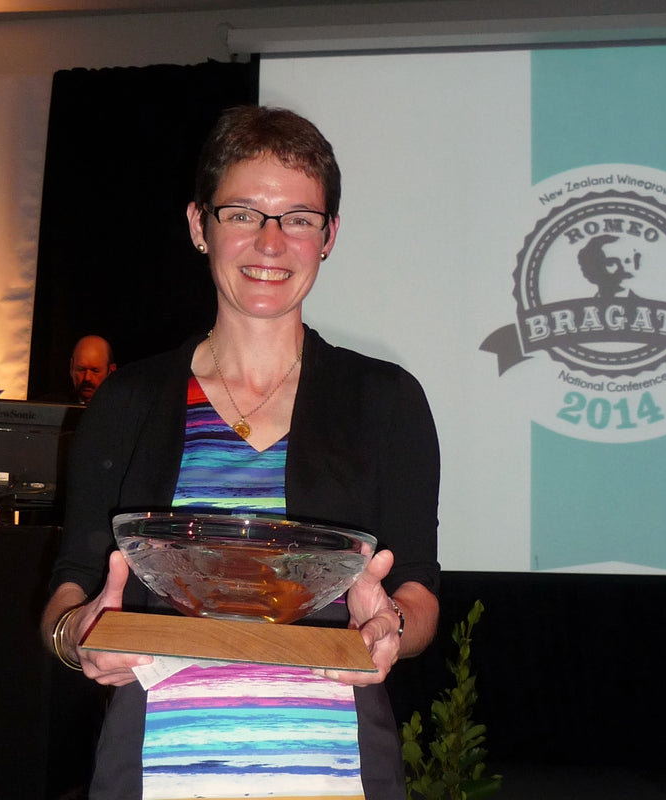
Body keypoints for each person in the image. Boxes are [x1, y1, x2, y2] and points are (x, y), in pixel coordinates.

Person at [41, 106, 440, 800]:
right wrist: (77, 633)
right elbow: (69, 588)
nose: (272, 242)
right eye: (243, 214)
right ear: (200, 226)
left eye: (299, 218)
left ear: (329, 236)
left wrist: (392, 627)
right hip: (156, 768)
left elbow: (419, 592)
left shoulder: (386, 401)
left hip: (333, 770)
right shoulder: (128, 404)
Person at [69, 334, 116, 405]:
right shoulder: (53, 406)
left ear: (111, 371)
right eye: (81, 369)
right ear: (72, 368)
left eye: (95, 371)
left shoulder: (124, 409)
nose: (87, 378)